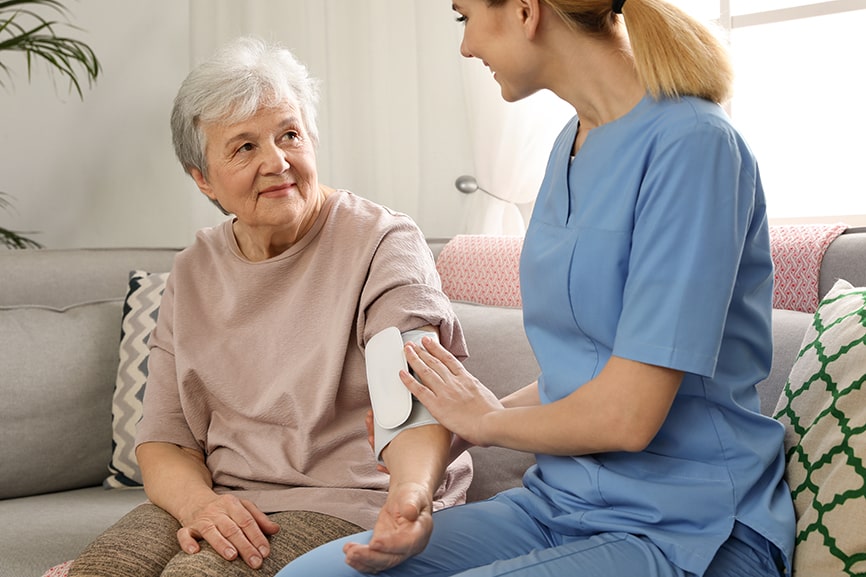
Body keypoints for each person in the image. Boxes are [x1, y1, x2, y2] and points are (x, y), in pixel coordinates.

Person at [276, 0, 796, 576]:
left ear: (526, 11)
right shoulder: (570, 142)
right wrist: (451, 428)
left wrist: (486, 423)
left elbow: (628, 415)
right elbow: (582, 372)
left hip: (689, 526)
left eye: (464, 16)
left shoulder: (695, 146)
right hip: (561, 504)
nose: (466, 46)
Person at [67, 36, 472, 577]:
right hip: (228, 493)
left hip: (353, 498)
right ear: (202, 179)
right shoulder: (194, 270)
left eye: (289, 135)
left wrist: (412, 495)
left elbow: (415, 397)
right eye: (245, 147)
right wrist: (201, 506)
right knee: (102, 569)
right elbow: (165, 442)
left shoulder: (382, 243)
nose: (277, 161)